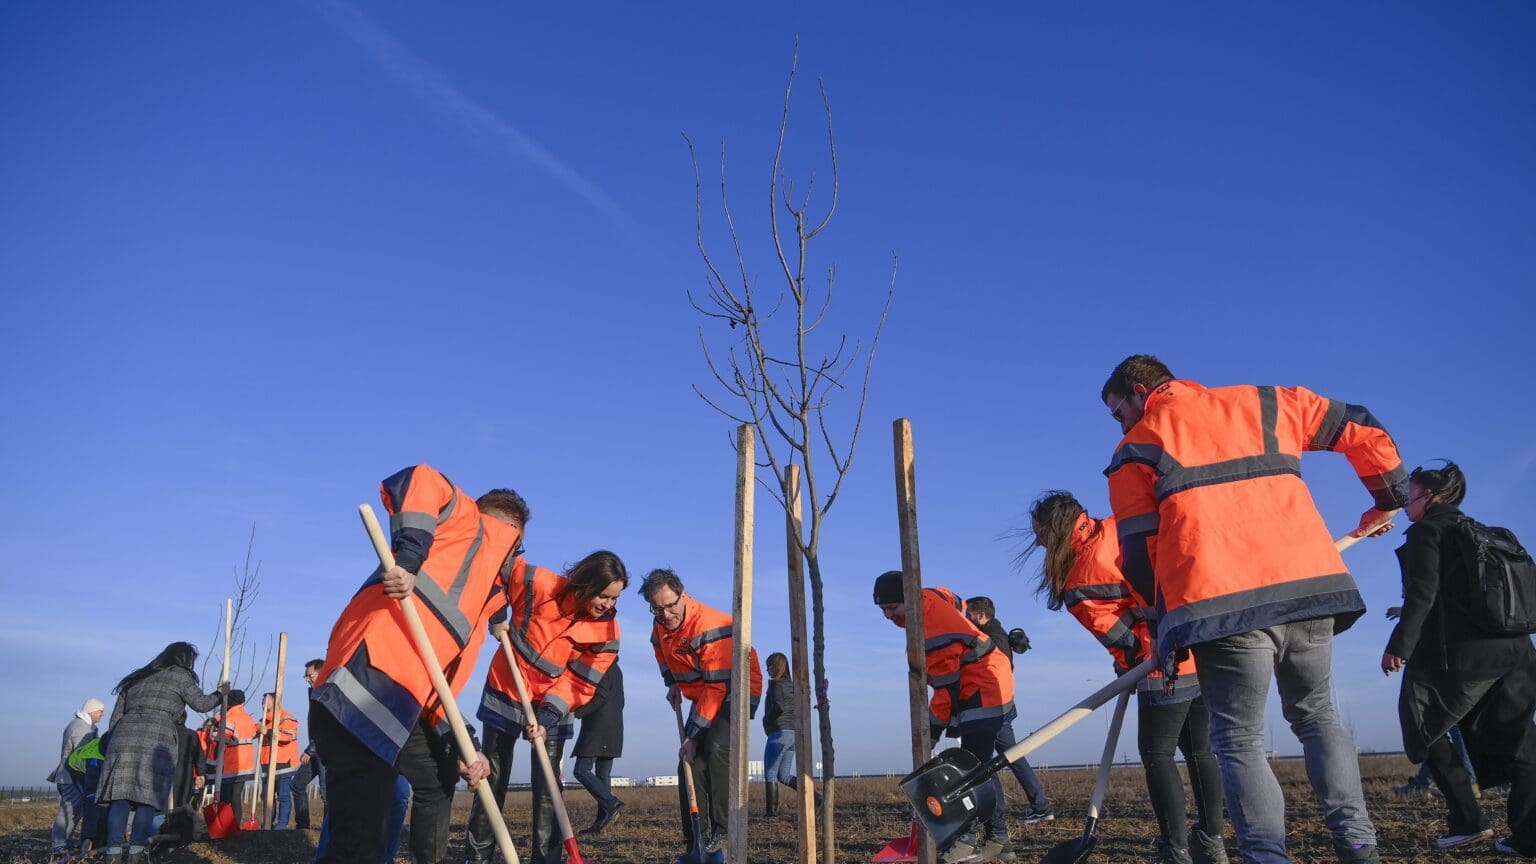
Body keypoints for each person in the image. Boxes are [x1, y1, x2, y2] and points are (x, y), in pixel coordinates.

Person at [1101, 354, 1407, 864]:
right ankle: (1358, 845)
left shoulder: (1136, 446)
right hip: (1309, 590)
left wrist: (1168, 624)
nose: (1122, 423)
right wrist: (1389, 497)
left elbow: (1137, 555)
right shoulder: (1266, 403)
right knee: (1318, 717)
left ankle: (1266, 856)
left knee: (1237, 738)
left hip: (1220, 606)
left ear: (1139, 390)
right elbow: (1361, 424)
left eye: (1119, 411)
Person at [309, 464, 525, 864]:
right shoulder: (463, 524)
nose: (512, 558)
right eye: (516, 545)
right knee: (359, 842)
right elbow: (422, 477)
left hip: (399, 706)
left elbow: (439, 689)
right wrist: (409, 557)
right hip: (361, 691)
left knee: (437, 778)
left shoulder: (477, 605)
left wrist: (464, 745)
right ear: (510, 533)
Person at [1023, 493, 1227, 864]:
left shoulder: (1077, 577)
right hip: (1198, 649)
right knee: (1199, 751)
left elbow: (1119, 636)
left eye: (1039, 533)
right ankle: (1212, 841)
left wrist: (1128, 664)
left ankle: (1175, 850)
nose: (1036, 541)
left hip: (1160, 664)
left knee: (1156, 753)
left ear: (1055, 530)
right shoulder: (1122, 526)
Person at [1382, 461, 1536, 854]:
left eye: (1409, 496)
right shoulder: (1483, 532)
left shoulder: (1426, 532)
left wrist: (1398, 647)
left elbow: (1422, 596)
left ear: (1429, 498)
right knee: (1523, 742)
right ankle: (1528, 837)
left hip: (1466, 657)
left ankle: (1467, 820)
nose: (1404, 505)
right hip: (1517, 648)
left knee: (1422, 724)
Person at [465, 550, 627, 864]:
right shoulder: (539, 584)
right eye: (605, 596)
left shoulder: (608, 634)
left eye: (615, 599)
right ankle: (478, 855)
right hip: (507, 687)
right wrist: (497, 613)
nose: (609, 605)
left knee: (548, 786)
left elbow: (581, 682)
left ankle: (547, 859)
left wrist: (548, 715)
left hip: (556, 701)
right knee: (492, 777)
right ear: (586, 583)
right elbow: (496, 564)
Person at [874, 571, 1016, 863]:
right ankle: (1000, 839)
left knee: (965, 769)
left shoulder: (932, 632)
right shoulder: (931, 594)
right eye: (883, 609)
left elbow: (945, 693)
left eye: (893, 607)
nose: (888, 615)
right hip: (990, 676)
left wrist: (932, 731)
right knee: (981, 766)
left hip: (982, 686)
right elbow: (960, 603)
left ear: (908, 599)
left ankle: (965, 841)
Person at [641, 568, 762, 861]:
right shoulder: (660, 626)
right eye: (658, 609)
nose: (667, 614)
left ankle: (722, 827)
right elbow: (660, 650)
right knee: (689, 763)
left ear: (683, 595)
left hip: (736, 688)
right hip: (703, 691)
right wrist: (672, 683)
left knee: (717, 748)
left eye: (671, 605)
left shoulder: (708, 625)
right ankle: (697, 842)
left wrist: (693, 735)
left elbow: (717, 688)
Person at [96, 642, 227, 864]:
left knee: (119, 798)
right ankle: (138, 852)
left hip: (124, 736)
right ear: (185, 659)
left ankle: (113, 854)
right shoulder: (180, 675)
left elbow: (115, 718)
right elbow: (201, 704)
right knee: (147, 799)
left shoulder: (138, 676)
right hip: (156, 738)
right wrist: (220, 693)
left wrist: (115, 741)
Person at [962, 597, 1053, 825]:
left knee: (986, 764)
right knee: (1012, 756)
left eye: (970, 614)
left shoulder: (990, 639)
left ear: (982, 615)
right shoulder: (998, 634)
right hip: (1002, 707)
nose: (966, 618)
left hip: (992, 709)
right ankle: (1040, 806)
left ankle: (998, 818)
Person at [573, 660, 625, 834]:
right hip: (613, 728)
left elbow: (601, 695)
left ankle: (612, 803)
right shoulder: (616, 668)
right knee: (603, 776)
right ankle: (601, 822)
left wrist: (578, 712)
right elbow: (621, 701)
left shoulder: (604, 665)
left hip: (598, 728)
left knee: (581, 770)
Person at [47, 697, 103, 855]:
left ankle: (65, 844)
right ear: (91, 710)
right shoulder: (81, 728)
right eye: (100, 710)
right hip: (72, 777)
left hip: (72, 776)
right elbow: (80, 755)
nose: (103, 713)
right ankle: (59, 846)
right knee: (69, 810)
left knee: (74, 811)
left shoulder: (85, 726)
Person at [286, 658, 326, 829]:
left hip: (324, 751)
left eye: (310, 675)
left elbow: (325, 728)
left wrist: (310, 750)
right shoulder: (314, 694)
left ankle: (329, 830)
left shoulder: (327, 694)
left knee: (326, 794)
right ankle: (302, 827)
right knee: (297, 784)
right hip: (314, 748)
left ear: (321, 673)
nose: (307, 679)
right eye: (306, 676)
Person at [760, 652, 797, 817]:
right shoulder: (792, 685)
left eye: (768, 665)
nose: (766, 669)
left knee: (770, 773)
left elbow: (779, 707)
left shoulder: (775, 685)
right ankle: (817, 799)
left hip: (778, 733)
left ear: (775, 667)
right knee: (784, 775)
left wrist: (766, 719)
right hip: (793, 734)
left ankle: (771, 813)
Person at [258, 691, 301, 829]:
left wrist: (268, 732)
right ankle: (267, 823)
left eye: (266, 701)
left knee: (283, 795)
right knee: (266, 796)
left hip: (283, 762)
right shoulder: (263, 721)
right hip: (266, 763)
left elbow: (288, 736)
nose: (263, 703)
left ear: (275, 702)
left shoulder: (286, 718)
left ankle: (282, 825)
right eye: (262, 701)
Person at [215, 689, 258, 823]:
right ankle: (235, 826)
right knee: (236, 797)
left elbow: (223, 740)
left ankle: (224, 825)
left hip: (231, 764)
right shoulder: (248, 718)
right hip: (246, 765)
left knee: (225, 798)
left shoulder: (230, 718)